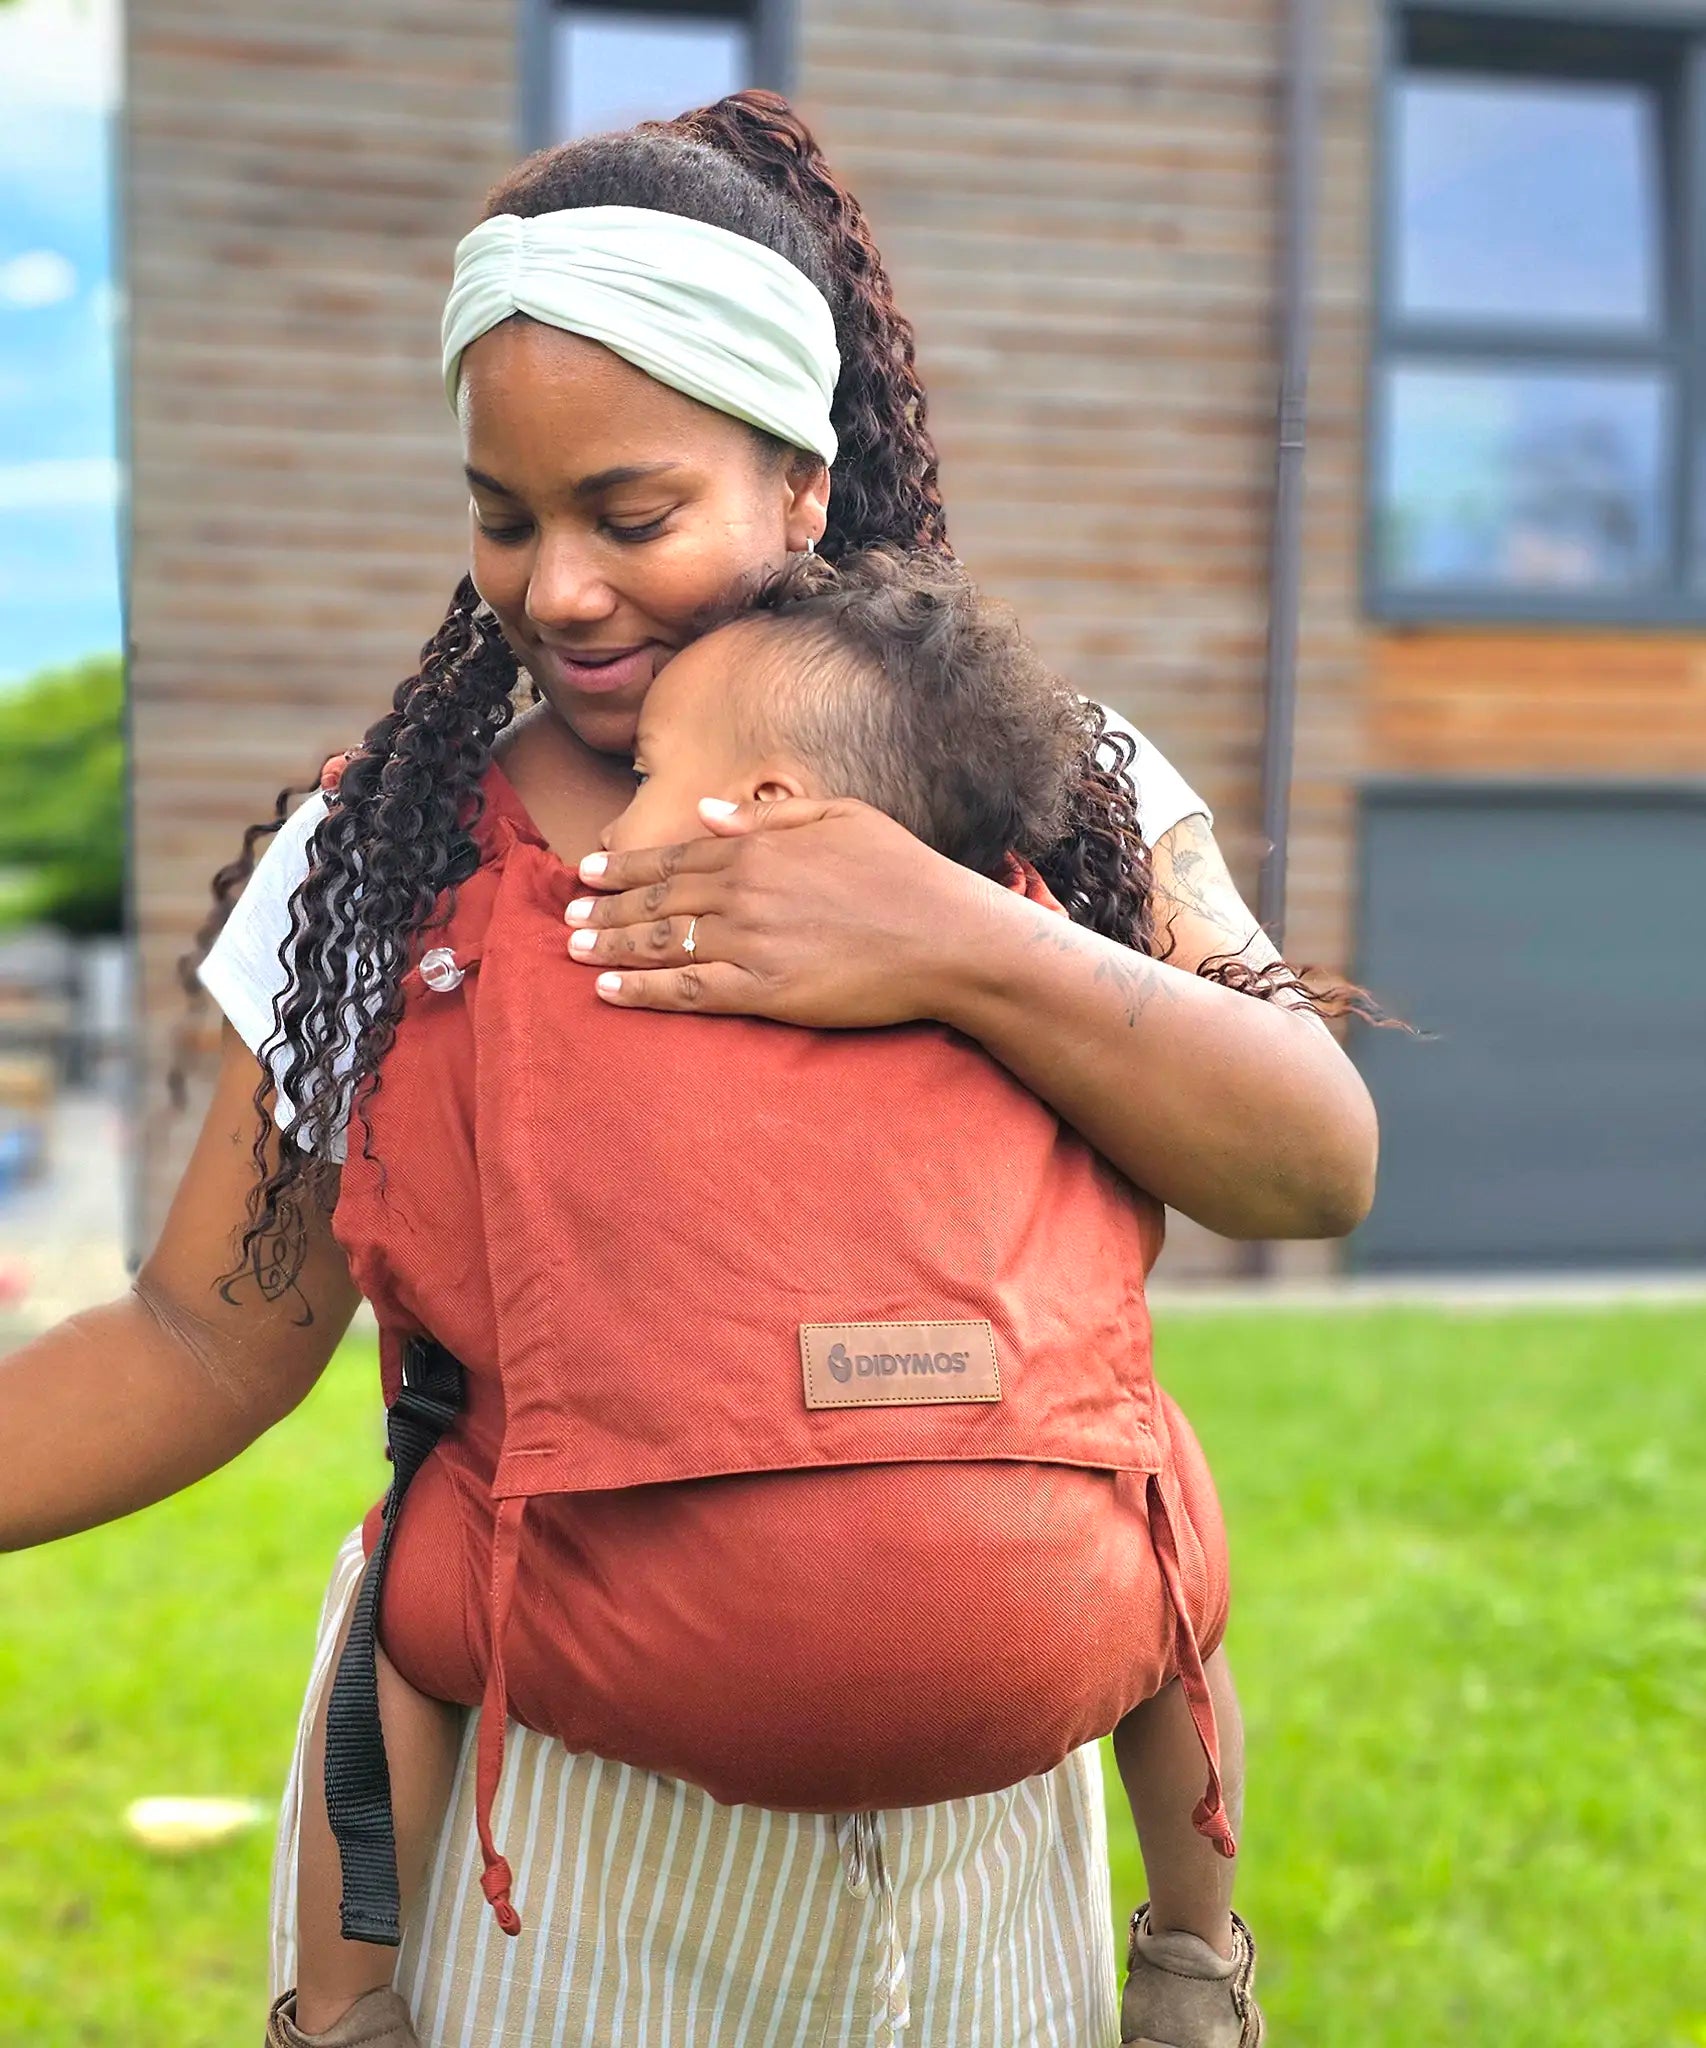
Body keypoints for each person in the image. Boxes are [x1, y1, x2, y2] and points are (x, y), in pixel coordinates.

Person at [0, 93, 1376, 2047]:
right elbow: (205, 1336)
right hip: (564, 1857)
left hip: (995, 1874)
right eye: (503, 514)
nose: (555, 586)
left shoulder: (1055, 794)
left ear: (802, 485)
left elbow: (1310, 1157)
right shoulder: (380, 859)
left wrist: (953, 935)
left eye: (629, 514)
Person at [286, 543, 1269, 2048]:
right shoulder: (1052, 939)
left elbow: (406, 1243)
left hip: (606, 1632)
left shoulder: (536, 934)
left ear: (761, 813)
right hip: (1044, 1590)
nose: (619, 812)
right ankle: (1196, 1960)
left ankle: (346, 2012)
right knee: (1173, 1578)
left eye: (656, 773)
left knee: (404, 1612)